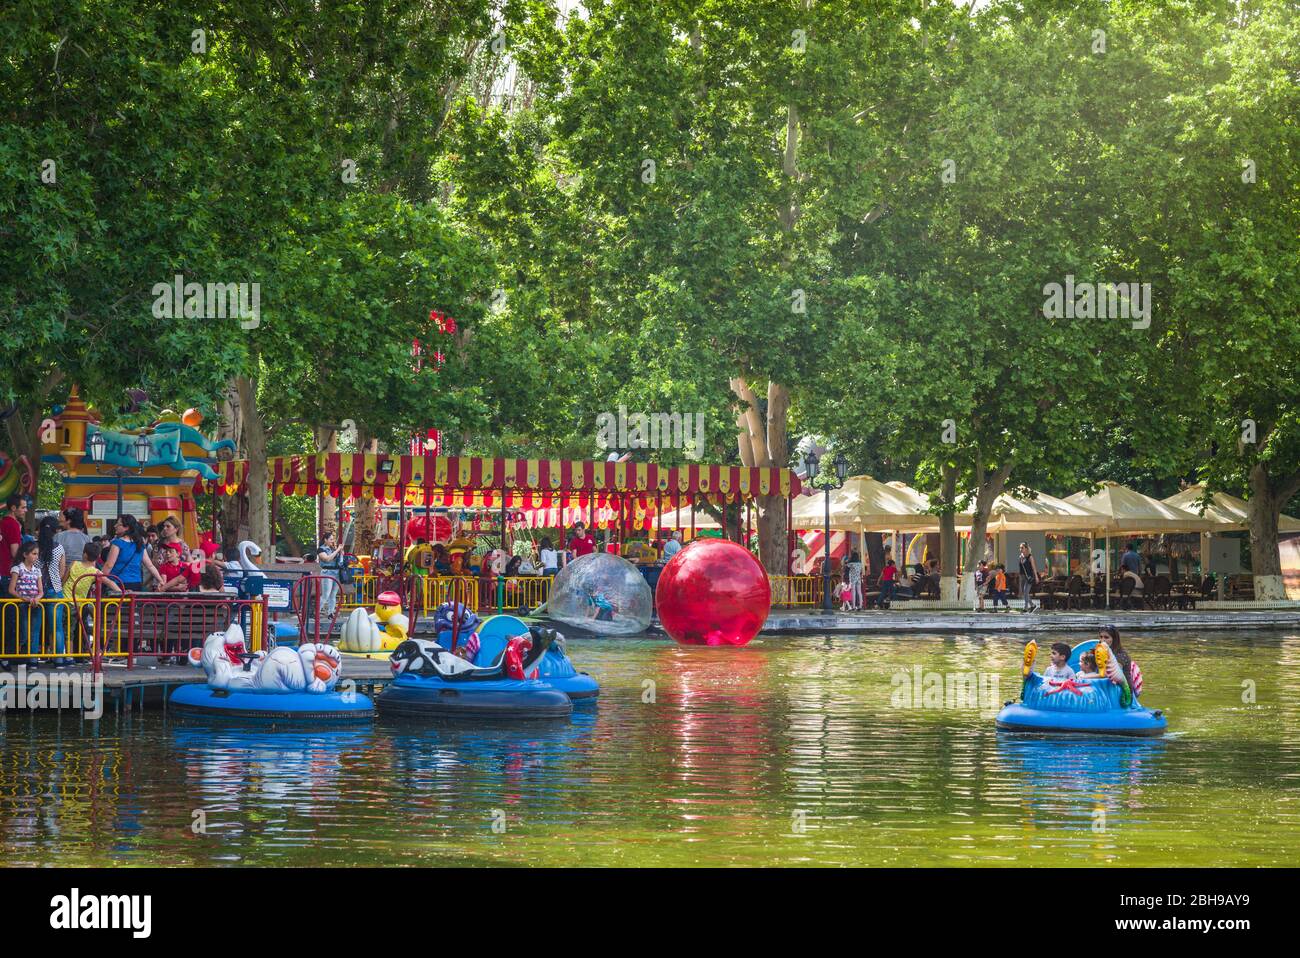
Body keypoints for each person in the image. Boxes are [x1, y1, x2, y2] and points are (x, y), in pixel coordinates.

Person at [36, 516, 68, 665]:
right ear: (55, 531)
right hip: (55, 589)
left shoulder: (33, 548)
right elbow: (62, 571)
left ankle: (32, 660)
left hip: (35, 591)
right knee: (57, 628)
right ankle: (59, 659)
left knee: (34, 627)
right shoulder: (59, 548)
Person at [102, 515, 161, 592]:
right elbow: (150, 566)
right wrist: (160, 580)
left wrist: (101, 578)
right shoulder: (139, 544)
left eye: (118, 524)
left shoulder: (118, 543)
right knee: (133, 604)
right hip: (136, 583)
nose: (115, 526)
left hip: (117, 583)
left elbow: (109, 565)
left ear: (127, 527)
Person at [1097, 625, 1143, 704]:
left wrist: (1084, 677)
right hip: (1107, 687)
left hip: (1123, 693)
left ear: (1114, 639)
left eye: (1106, 637)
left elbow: (1111, 675)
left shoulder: (1121, 655)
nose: (1102, 640)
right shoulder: (1101, 652)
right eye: (1101, 637)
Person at [316, 530, 343, 618]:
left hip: (336, 572)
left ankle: (330, 613)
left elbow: (340, 561)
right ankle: (316, 612)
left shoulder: (333, 549)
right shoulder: (321, 549)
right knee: (326, 594)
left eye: (333, 539)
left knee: (333, 594)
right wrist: (337, 550)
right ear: (325, 540)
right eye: (331, 539)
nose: (332, 541)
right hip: (327, 573)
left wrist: (341, 553)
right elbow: (327, 559)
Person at [1017, 543, 1038, 612]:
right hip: (1023, 577)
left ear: (1026, 548)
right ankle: (1032, 605)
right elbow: (1020, 569)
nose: (1020, 549)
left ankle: (1026, 608)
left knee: (1026, 592)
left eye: (1022, 548)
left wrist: (1036, 577)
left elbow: (1034, 567)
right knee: (1024, 593)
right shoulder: (1020, 557)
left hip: (1029, 577)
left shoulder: (1030, 556)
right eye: (1020, 548)